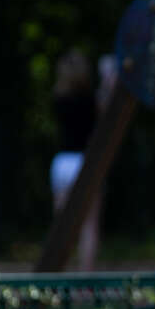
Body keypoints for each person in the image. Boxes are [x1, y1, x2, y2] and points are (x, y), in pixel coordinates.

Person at [50, 49, 103, 271]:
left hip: (61, 164)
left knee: (62, 226)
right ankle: (86, 278)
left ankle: (58, 274)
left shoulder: (58, 99)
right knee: (88, 226)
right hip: (84, 163)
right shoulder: (91, 101)